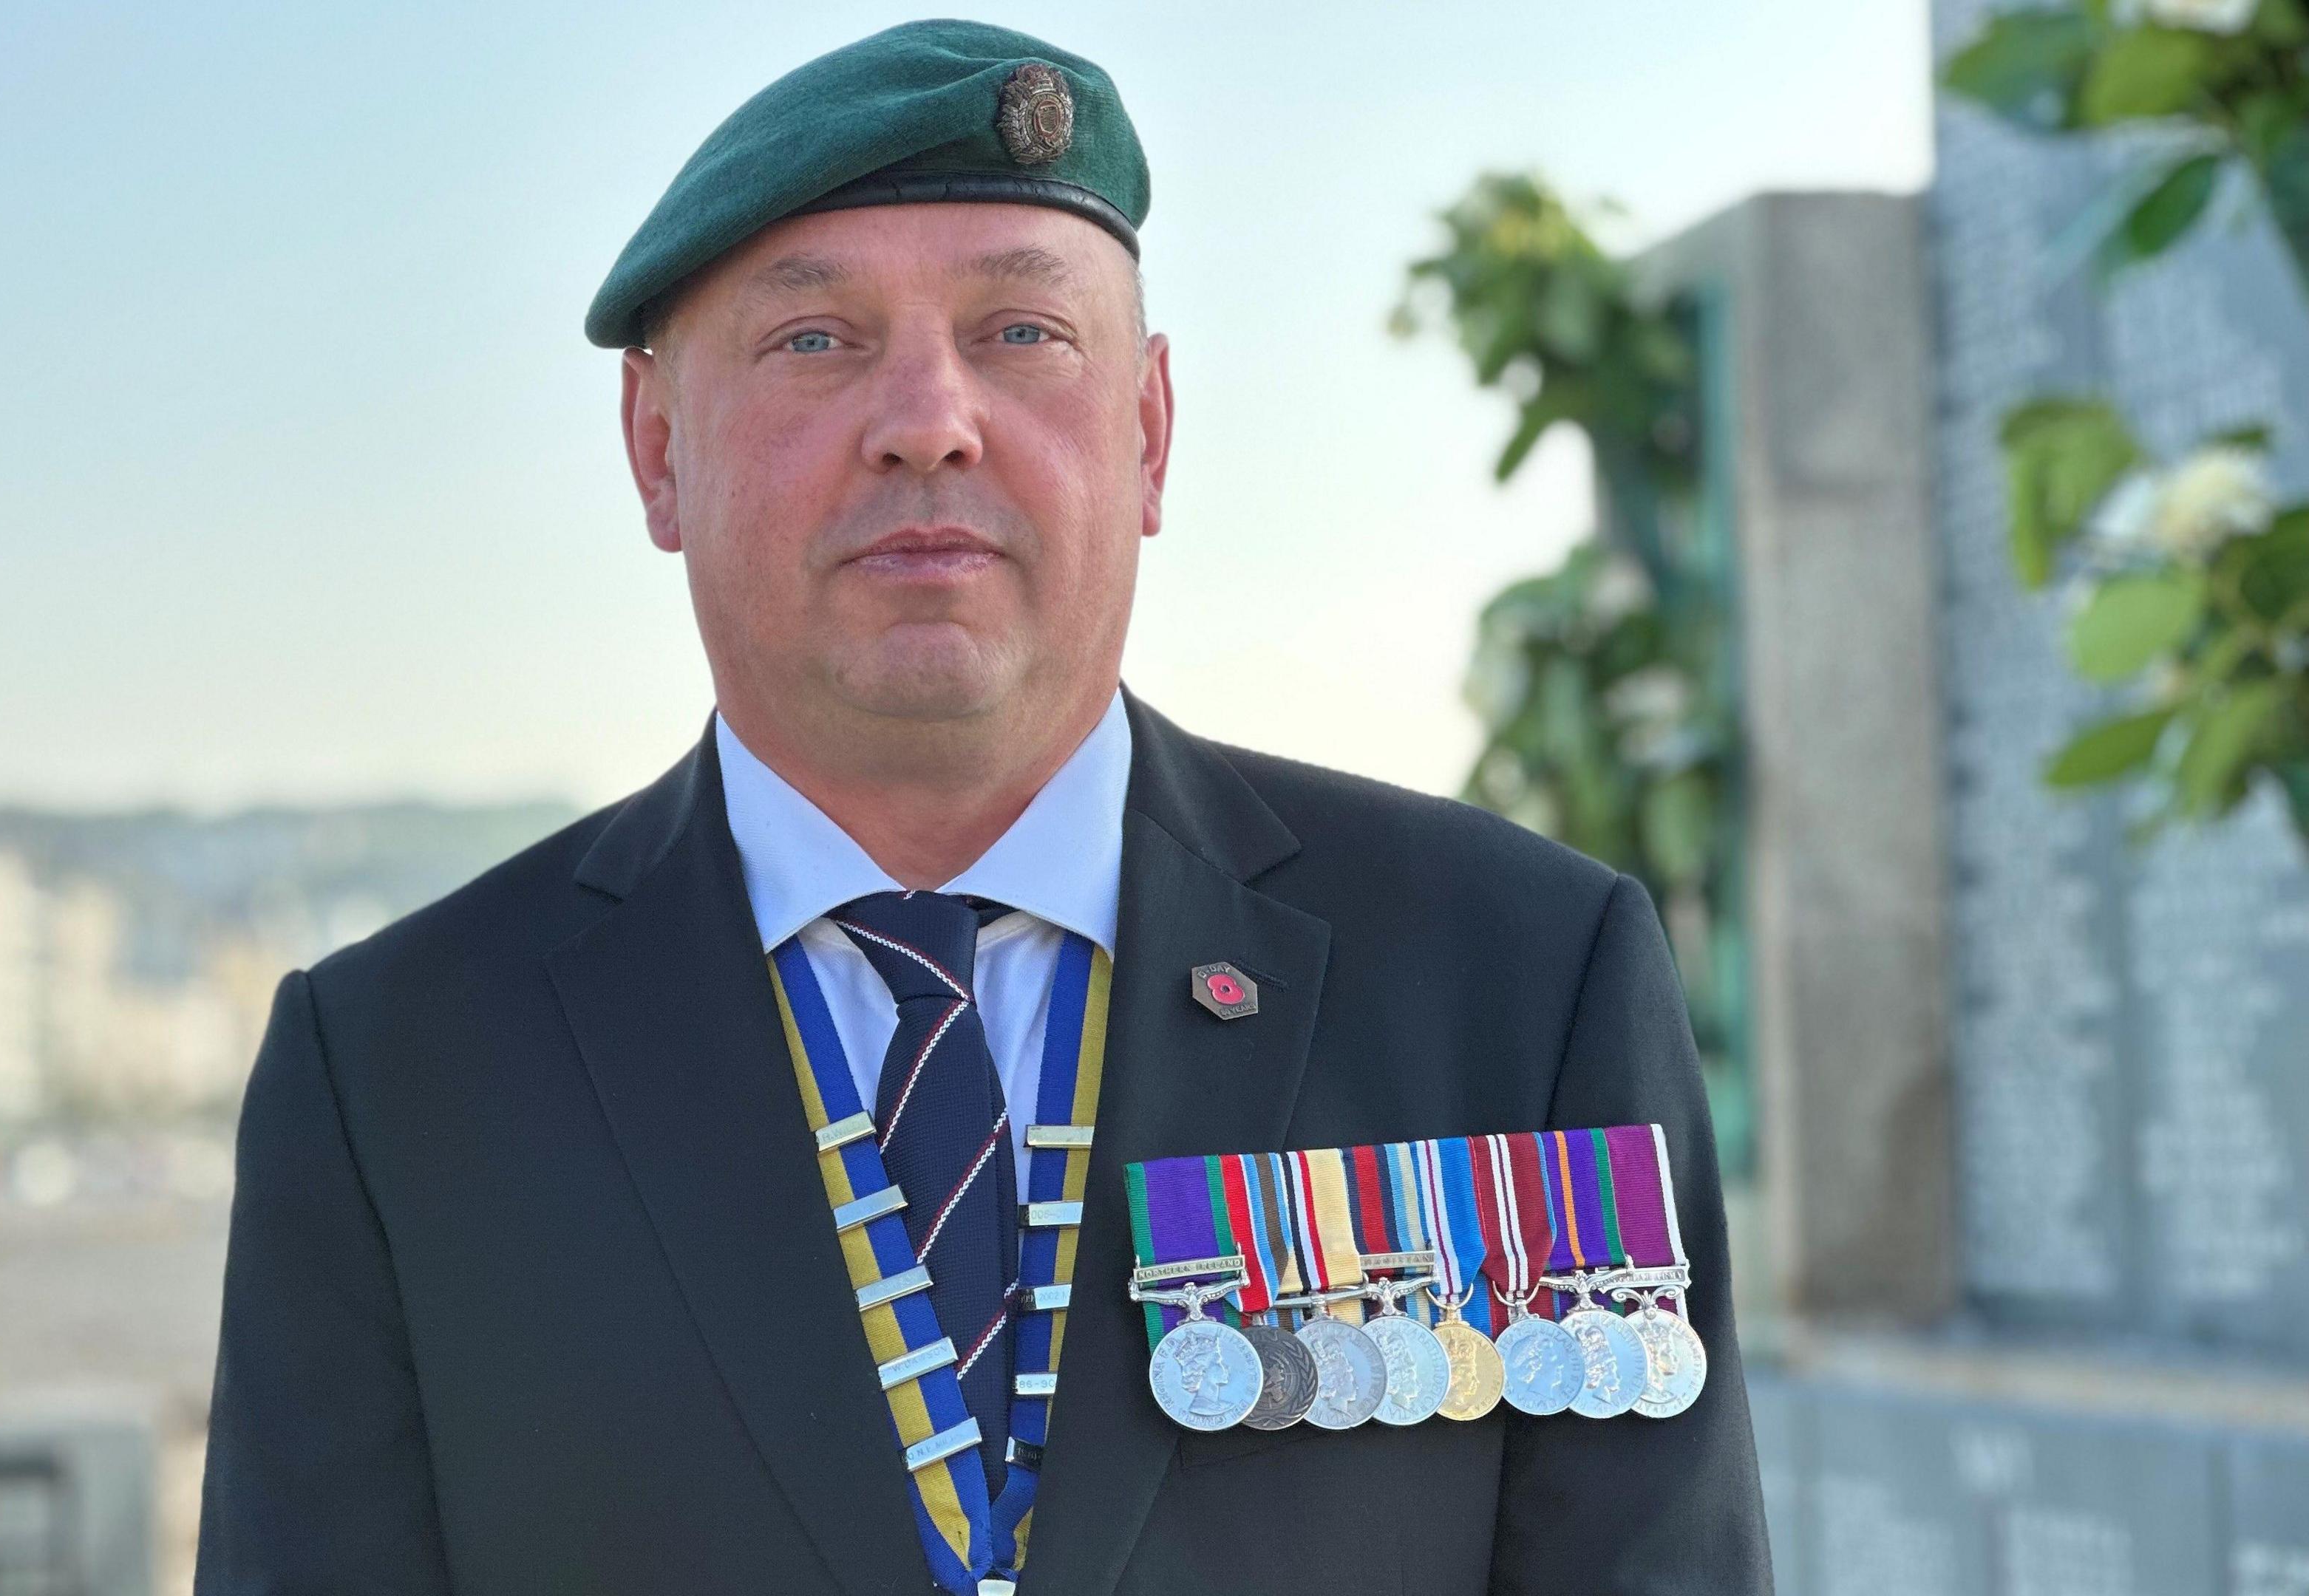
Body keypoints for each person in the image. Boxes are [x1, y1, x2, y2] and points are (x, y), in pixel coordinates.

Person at [194, 20, 1770, 1595]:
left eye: (1022, 332)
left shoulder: (1515, 985)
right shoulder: (401, 1074)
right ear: (656, 447)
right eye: (815, 340)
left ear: (1148, 433)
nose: (929, 418)